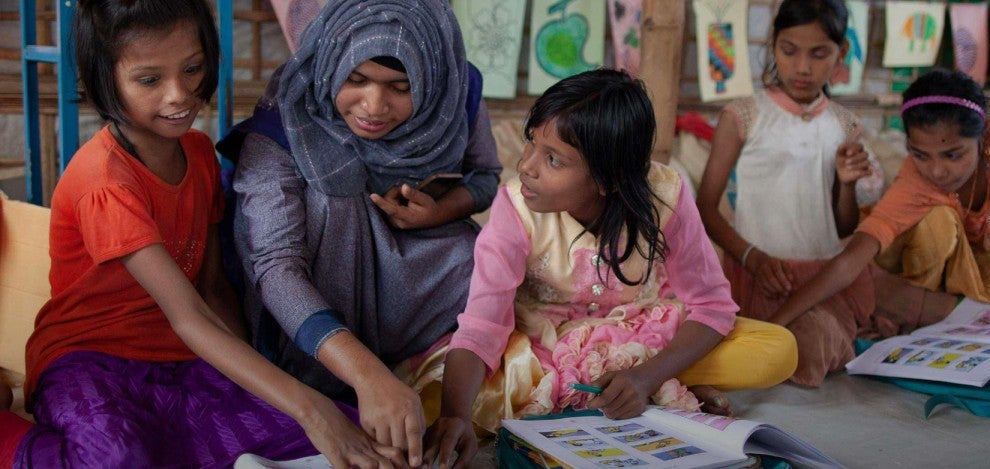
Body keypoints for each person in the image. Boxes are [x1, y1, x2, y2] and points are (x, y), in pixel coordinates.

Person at [0, 1, 397, 467]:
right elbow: (188, 315)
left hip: (185, 359)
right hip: (88, 361)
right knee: (117, 458)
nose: (179, 95)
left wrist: (259, 389)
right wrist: (311, 409)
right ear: (105, 79)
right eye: (149, 80)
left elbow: (211, 289)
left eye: (191, 69)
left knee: (352, 437)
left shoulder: (200, 153)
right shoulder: (105, 183)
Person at [423, 69, 798, 468]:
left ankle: (640, 383)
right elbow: (483, 324)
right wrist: (455, 415)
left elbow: (712, 306)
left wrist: (647, 375)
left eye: (553, 159)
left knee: (777, 350)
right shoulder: (514, 207)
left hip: (645, 333)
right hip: (544, 350)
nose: (527, 167)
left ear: (609, 179)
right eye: (531, 142)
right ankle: (661, 385)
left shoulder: (666, 195)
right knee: (433, 399)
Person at [217, 0, 501, 464]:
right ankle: (339, 371)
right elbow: (276, 267)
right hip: (320, 298)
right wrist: (367, 375)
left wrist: (438, 212)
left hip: (411, 279)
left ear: (429, 77)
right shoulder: (287, 118)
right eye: (356, 80)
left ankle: (409, 369)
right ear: (331, 66)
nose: (374, 106)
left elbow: (485, 176)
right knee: (331, 199)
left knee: (478, 255)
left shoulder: (453, 87)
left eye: (400, 88)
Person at [768, 69, 990, 342]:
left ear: (984, 137)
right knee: (939, 221)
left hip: (967, 262)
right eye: (921, 155)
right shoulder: (915, 182)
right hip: (904, 263)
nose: (937, 171)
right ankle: (907, 304)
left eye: (952, 155)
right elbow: (851, 259)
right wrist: (777, 323)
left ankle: (923, 309)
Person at [696, 0, 883, 387]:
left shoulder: (844, 124)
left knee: (809, 344)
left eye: (819, 54)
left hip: (823, 279)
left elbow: (843, 226)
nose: (802, 67)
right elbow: (705, 209)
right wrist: (754, 258)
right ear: (773, 44)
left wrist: (847, 184)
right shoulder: (744, 116)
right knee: (761, 346)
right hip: (756, 273)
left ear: (842, 52)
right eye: (789, 50)